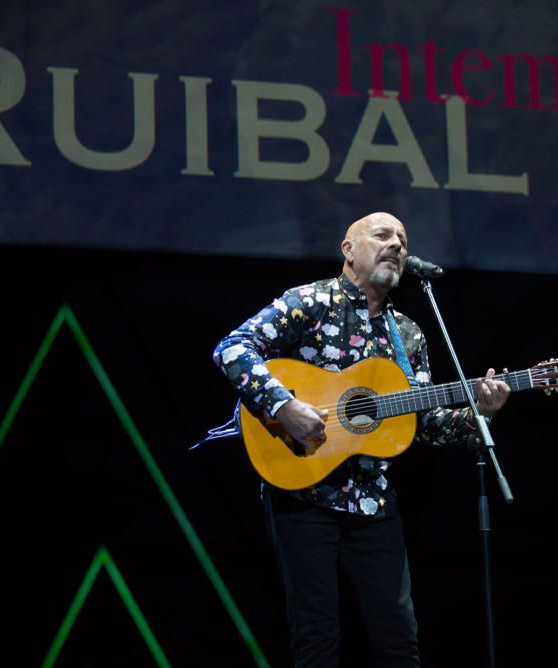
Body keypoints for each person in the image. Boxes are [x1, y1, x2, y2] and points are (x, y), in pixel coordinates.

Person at [213, 211, 511, 667]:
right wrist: (283, 406)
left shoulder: (407, 335)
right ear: (348, 250)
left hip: (375, 503)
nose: (396, 244)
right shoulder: (310, 302)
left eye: (403, 240)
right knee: (317, 636)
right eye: (383, 235)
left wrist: (478, 414)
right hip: (304, 490)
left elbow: (424, 424)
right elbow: (233, 347)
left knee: (399, 637)